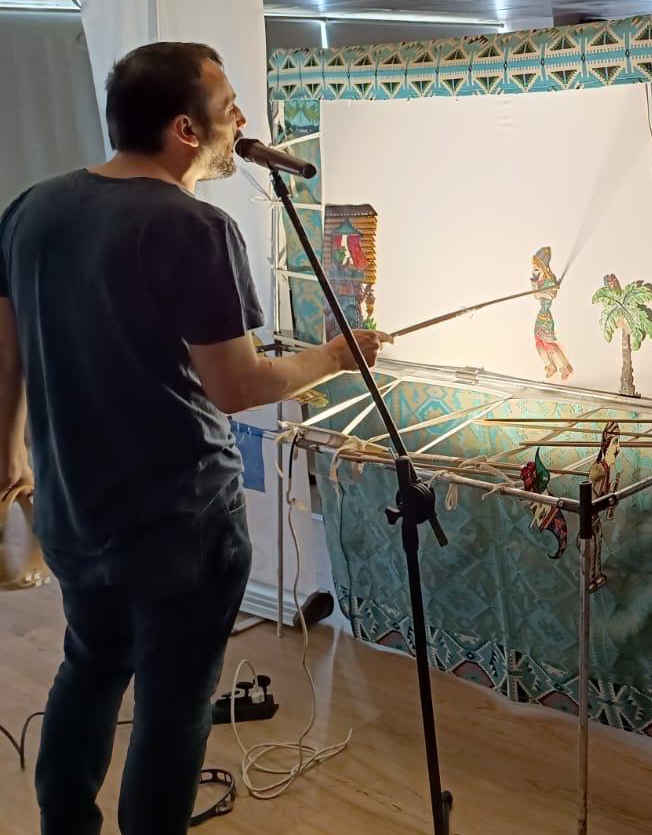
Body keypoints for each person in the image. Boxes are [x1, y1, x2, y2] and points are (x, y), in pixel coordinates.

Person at [0, 42, 388, 832]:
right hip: (180, 520)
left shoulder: (32, 208)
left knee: (88, 670)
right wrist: (333, 358)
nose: (242, 120)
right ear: (185, 128)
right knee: (173, 710)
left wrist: (7, 455)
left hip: (74, 506)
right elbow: (236, 387)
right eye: (229, 106)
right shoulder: (193, 226)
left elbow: (7, 351)